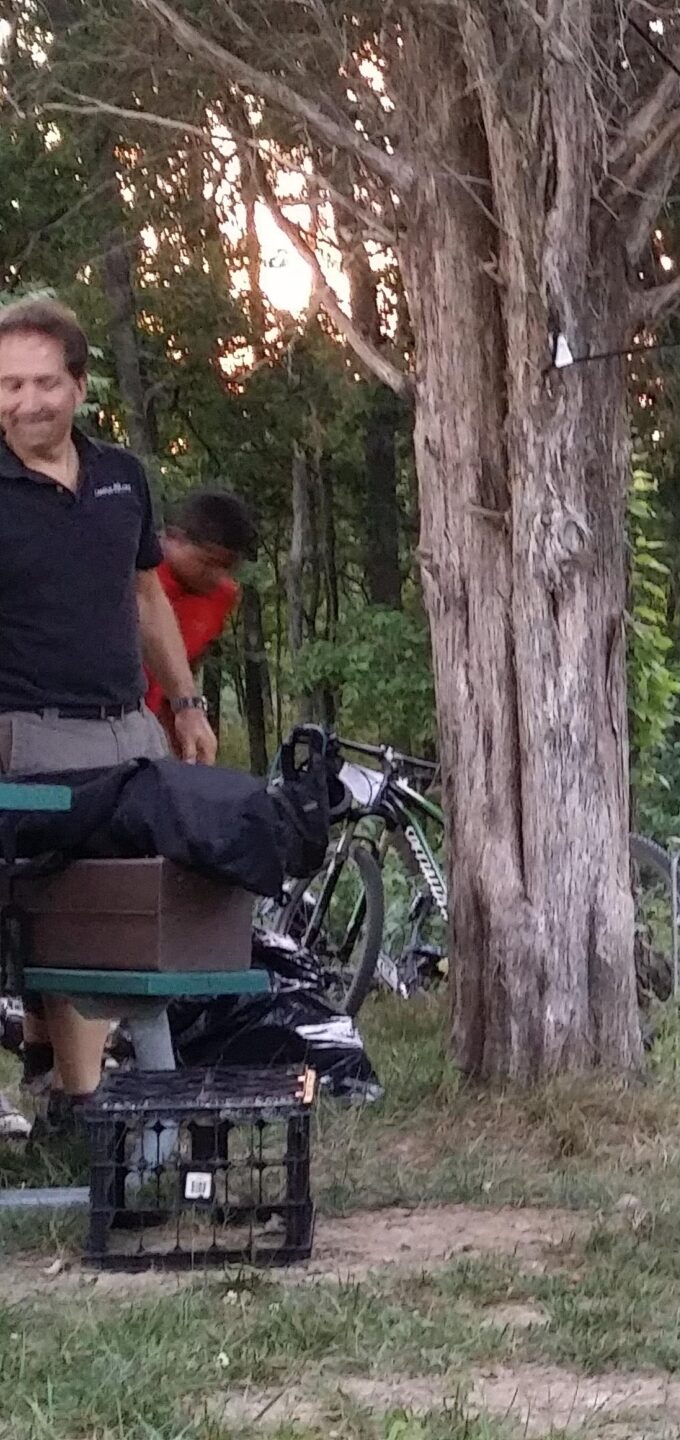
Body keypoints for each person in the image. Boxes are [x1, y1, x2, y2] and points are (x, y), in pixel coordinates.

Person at [0, 297, 219, 1141]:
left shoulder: (123, 474)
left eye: (45, 383)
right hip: (29, 729)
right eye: (11, 385)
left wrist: (188, 703)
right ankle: (81, 1101)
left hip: (130, 724)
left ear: (79, 386)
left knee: (136, 896)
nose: (27, 402)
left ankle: (77, 1090)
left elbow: (147, 598)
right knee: (65, 899)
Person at [143, 490, 257, 745]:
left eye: (227, 568)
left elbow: (186, 666)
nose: (218, 577)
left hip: (150, 728)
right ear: (174, 538)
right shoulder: (138, 578)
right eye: (208, 563)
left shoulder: (222, 596)